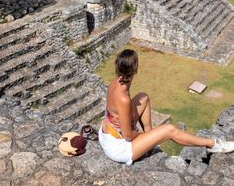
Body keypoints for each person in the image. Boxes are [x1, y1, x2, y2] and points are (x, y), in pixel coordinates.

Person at [98, 49, 234, 166]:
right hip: (118, 147)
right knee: (170, 130)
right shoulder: (123, 98)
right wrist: (142, 135)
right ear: (135, 69)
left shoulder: (116, 82)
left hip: (108, 133)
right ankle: (212, 144)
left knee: (143, 97)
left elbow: (118, 112)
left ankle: (149, 142)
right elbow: (127, 135)